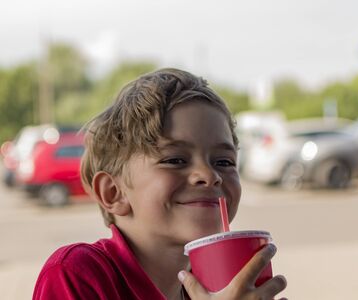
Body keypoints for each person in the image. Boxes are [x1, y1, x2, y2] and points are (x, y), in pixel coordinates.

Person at [32, 68, 287, 300]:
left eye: (224, 161)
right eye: (175, 160)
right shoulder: (78, 273)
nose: (209, 175)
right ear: (114, 193)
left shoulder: (208, 291)